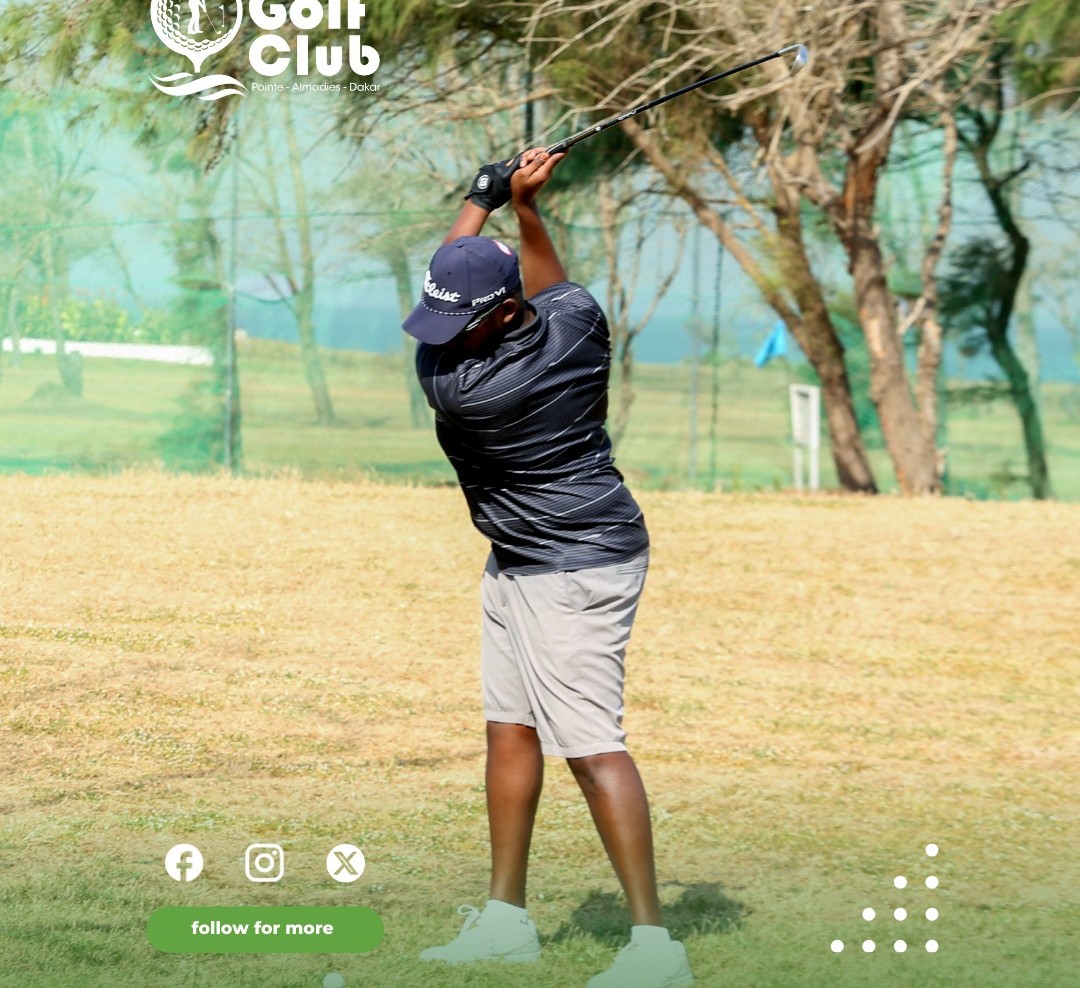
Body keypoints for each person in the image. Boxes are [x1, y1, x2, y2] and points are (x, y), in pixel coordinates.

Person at [401, 148, 693, 988]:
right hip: (524, 556)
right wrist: (523, 207)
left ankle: (654, 951)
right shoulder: (577, 322)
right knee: (510, 727)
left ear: (500, 315)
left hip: (573, 567)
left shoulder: (462, 386)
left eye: (458, 320)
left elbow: (463, 281)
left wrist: (483, 198)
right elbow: (540, 284)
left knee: (592, 747)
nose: (440, 332)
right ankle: (505, 923)